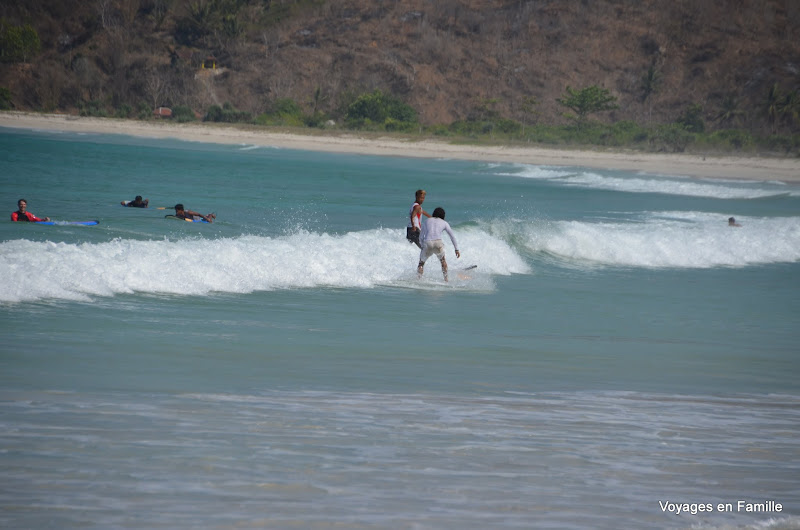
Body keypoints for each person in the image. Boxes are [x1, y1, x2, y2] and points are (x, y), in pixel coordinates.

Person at [417, 207, 461, 281]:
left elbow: (421, 237)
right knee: (443, 260)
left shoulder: (426, 221)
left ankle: (418, 279)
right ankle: (446, 279)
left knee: (421, 263)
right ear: (443, 216)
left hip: (428, 242)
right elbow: (452, 236)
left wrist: (422, 246)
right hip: (438, 242)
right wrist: (456, 249)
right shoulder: (444, 223)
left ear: (433, 214)